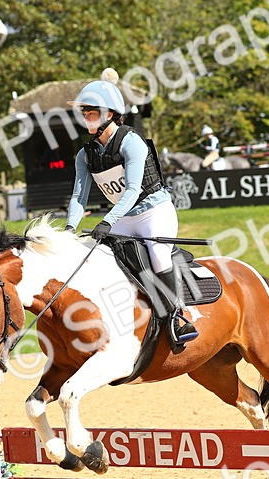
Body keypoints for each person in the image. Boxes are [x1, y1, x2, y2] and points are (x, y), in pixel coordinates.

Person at [65, 68, 197, 349]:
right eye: (84, 112)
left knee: (158, 255)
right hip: (122, 217)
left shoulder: (131, 142)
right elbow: (79, 195)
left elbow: (133, 190)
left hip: (153, 213)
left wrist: (108, 221)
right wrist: (69, 229)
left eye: (90, 111)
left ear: (109, 114)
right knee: (95, 257)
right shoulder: (85, 154)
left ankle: (177, 317)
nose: (85, 116)